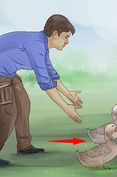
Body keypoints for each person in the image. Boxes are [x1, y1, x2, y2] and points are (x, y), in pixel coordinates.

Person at [0, 14, 83, 166]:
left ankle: (24, 146)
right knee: (8, 113)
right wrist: (66, 108)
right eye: (65, 37)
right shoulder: (36, 45)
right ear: (55, 34)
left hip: (9, 74)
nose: (67, 42)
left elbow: (50, 72)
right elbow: (44, 81)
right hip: (1, 77)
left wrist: (68, 94)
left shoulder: (42, 43)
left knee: (23, 105)